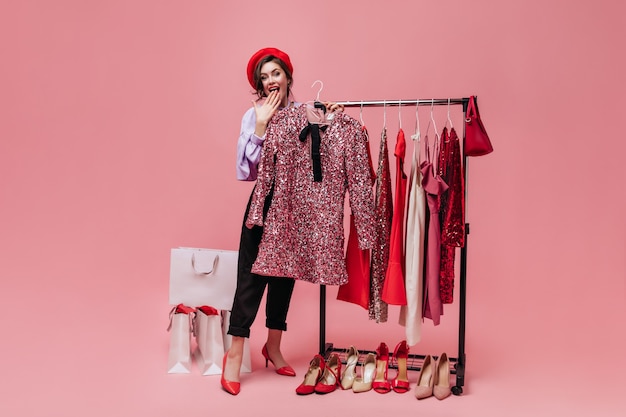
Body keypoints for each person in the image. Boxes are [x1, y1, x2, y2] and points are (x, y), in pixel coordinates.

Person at [221, 47, 343, 395]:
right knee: (252, 275)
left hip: (296, 203)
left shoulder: (306, 112)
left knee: (285, 275)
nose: (271, 81)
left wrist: (329, 115)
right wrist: (260, 126)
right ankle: (235, 354)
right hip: (265, 199)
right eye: (264, 77)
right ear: (258, 84)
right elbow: (245, 170)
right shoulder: (253, 114)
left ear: (288, 76)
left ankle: (273, 346)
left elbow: (325, 149)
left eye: (276, 73)